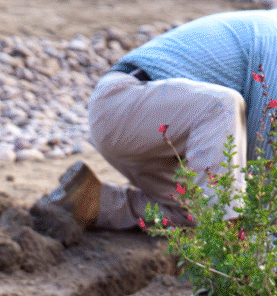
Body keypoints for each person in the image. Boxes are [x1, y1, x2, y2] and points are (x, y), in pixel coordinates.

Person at [47, 10, 277, 230]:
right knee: (222, 109)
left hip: (152, 129)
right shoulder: (272, 36)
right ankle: (229, 242)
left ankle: (94, 202)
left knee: (197, 207)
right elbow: (263, 148)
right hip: (123, 103)